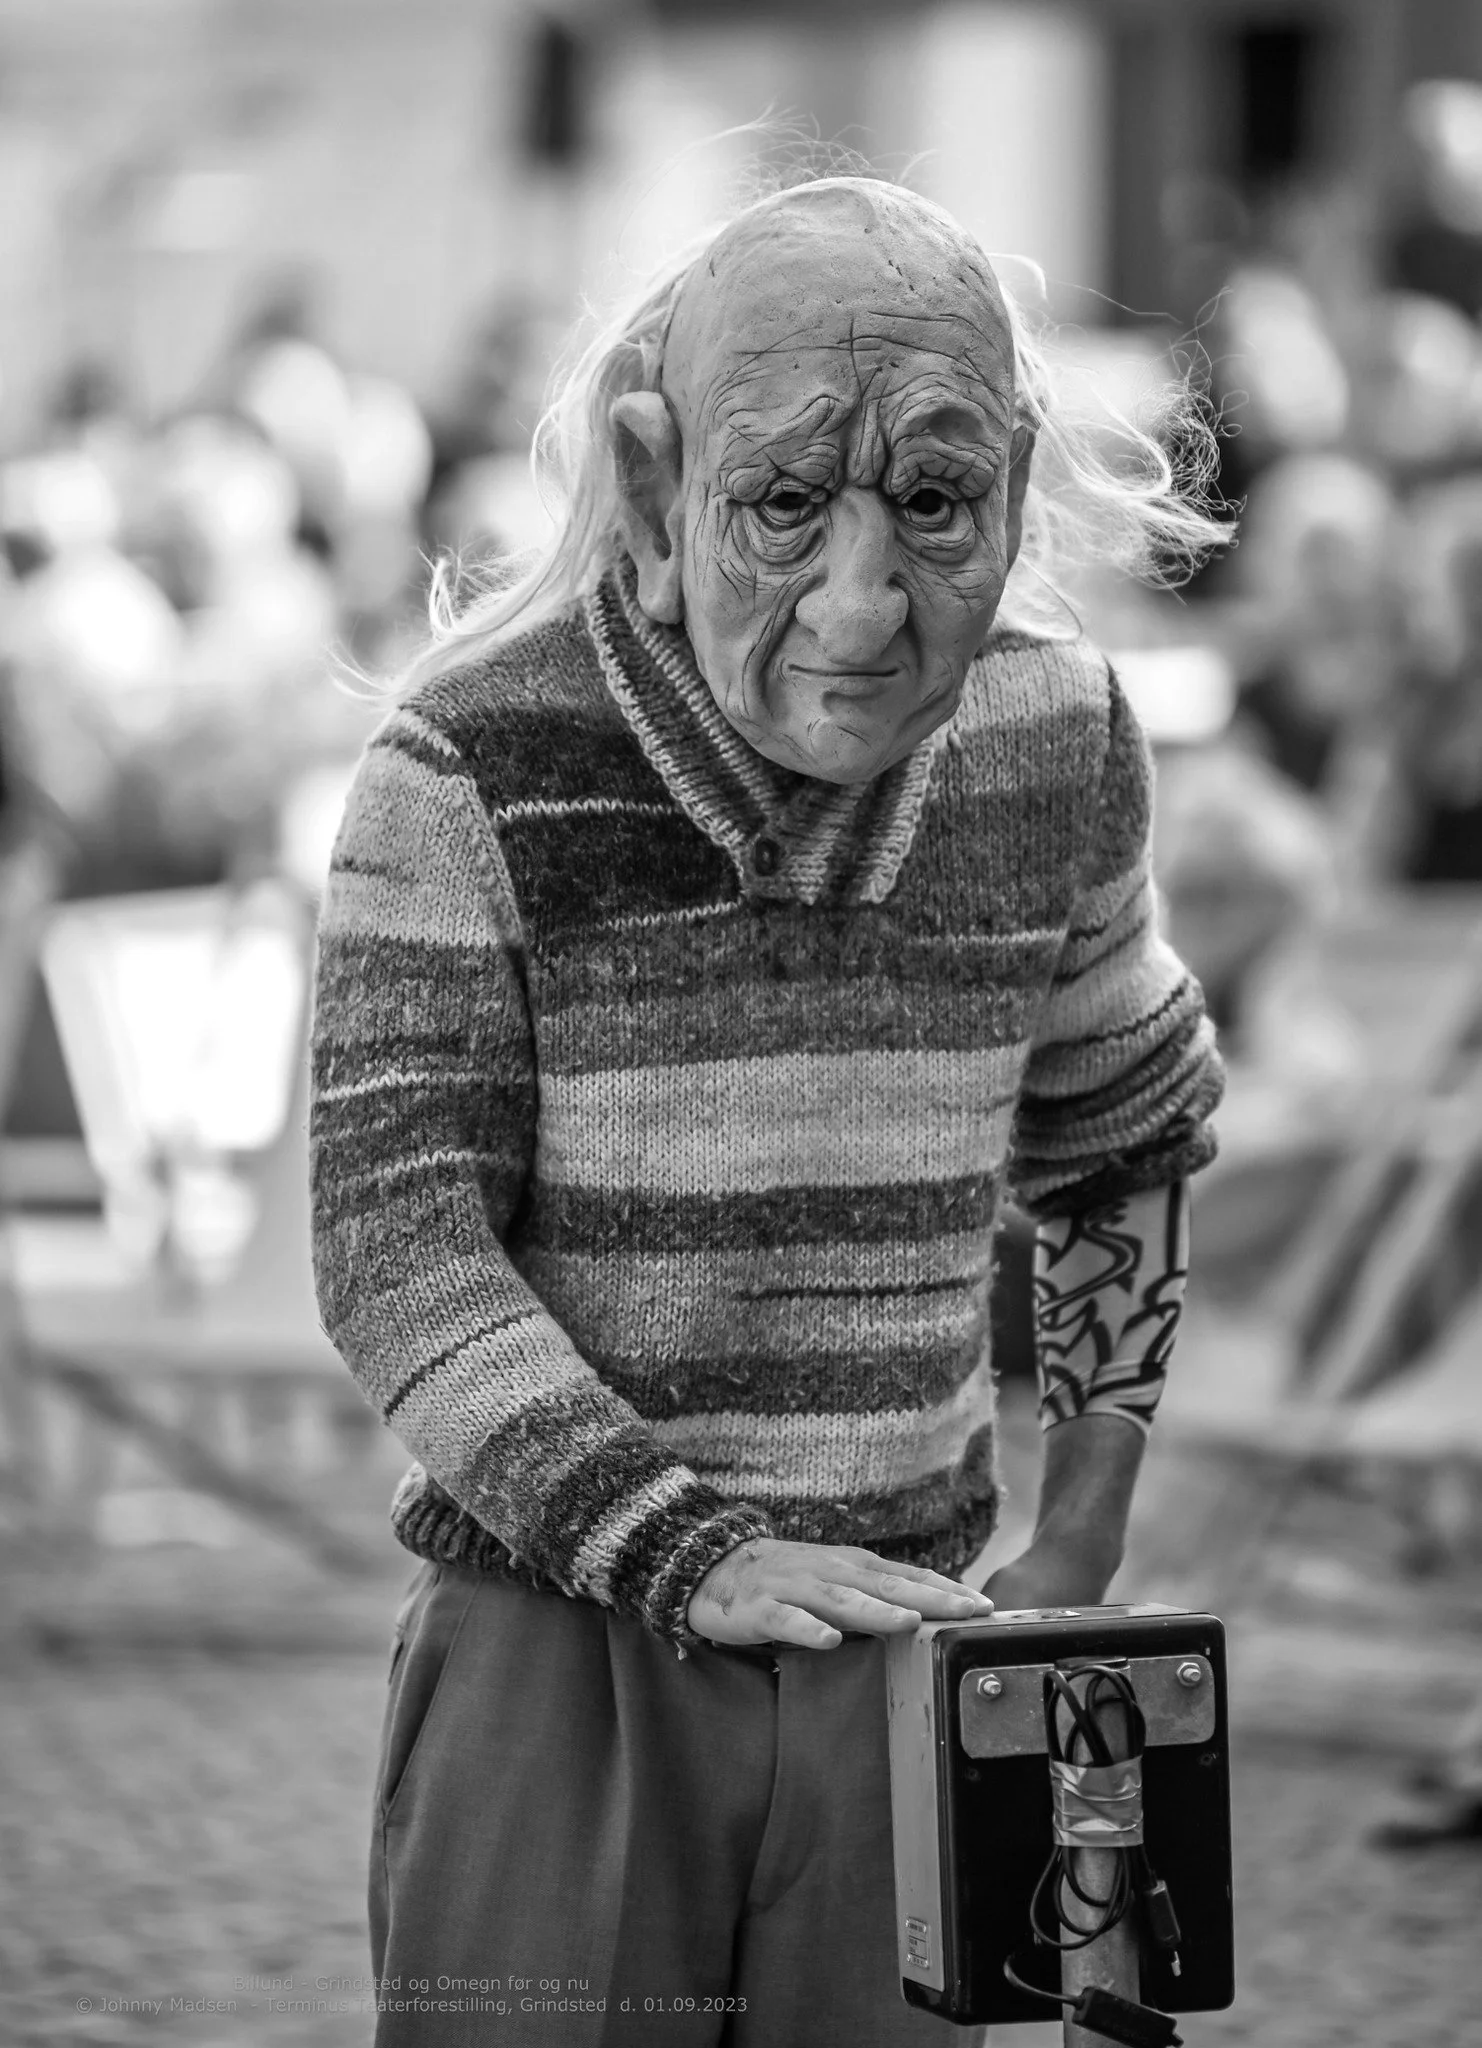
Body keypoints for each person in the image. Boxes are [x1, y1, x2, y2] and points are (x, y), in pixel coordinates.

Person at [309, 176, 1226, 2046]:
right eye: (785, 504)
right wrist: (683, 1547)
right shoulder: (469, 763)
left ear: (1018, 479)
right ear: (652, 495)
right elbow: (399, 1243)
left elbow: (1117, 1127)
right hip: (560, 1651)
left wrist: (1080, 1544)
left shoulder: (1053, 741)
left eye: (936, 503)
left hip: (911, 1643)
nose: (866, 601)